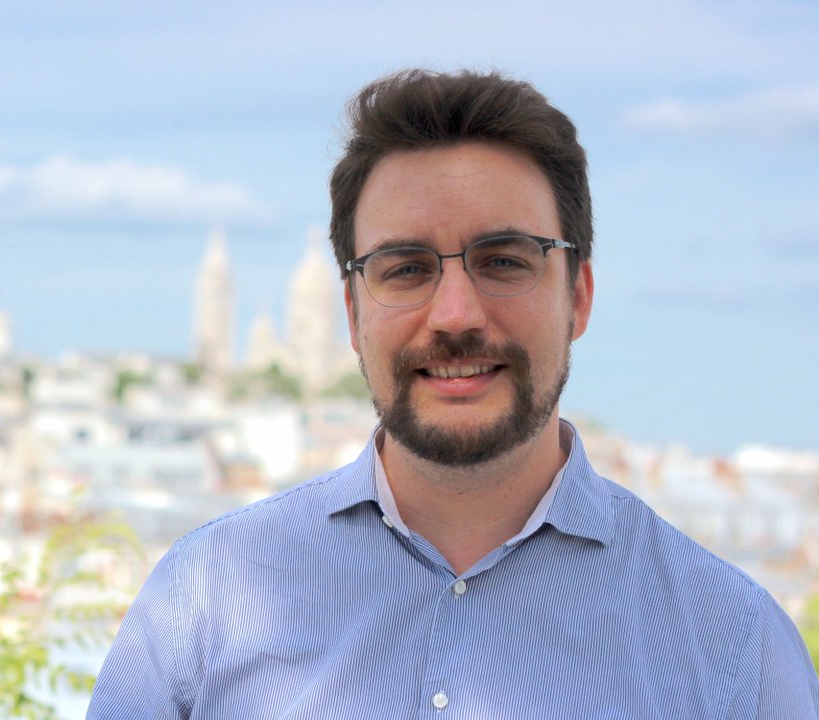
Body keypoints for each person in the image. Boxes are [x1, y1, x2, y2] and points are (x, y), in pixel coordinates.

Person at [87, 69, 819, 718]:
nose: (456, 315)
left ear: (578, 298)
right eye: (406, 269)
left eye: (504, 261)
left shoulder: (736, 650)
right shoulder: (203, 604)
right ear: (351, 314)